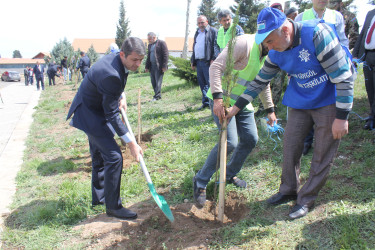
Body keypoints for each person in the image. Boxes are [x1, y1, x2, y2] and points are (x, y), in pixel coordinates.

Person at [227, 7, 356, 219]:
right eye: (266, 43)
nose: (268, 48)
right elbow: (259, 81)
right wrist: (236, 107)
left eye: (269, 41)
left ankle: (306, 199)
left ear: (285, 30)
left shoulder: (317, 34)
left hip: (328, 98)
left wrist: (341, 117)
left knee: (322, 152)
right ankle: (288, 189)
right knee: (291, 143)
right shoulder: (276, 51)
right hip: (300, 98)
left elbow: (343, 76)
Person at [193, 34, 276, 207]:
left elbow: (263, 83)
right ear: (268, 37)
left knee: (251, 139)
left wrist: (270, 110)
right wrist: (217, 99)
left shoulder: (270, 52)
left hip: (243, 103)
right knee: (230, 142)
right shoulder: (243, 44)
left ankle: (229, 174)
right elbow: (216, 67)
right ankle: (200, 180)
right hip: (223, 100)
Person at [67, 37, 145, 220]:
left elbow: (116, 83)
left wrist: (121, 96)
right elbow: (112, 115)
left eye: (141, 60)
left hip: (94, 109)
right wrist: (131, 143)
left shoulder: (116, 61)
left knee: (101, 156)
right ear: (122, 54)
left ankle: (100, 198)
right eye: (134, 60)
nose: (138, 64)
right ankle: (113, 207)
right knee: (114, 157)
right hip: (90, 116)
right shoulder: (111, 74)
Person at [295, 0, 350, 155]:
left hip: (330, 67)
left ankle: (325, 141)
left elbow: (342, 40)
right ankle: (307, 141)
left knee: (326, 104)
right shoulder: (301, 17)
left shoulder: (336, 16)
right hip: (309, 68)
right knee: (308, 104)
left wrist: (346, 60)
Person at [352, 9, 375, 130]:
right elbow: (362, 34)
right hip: (368, 56)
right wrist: (355, 54)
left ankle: (372, 118)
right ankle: (373, 116)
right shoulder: (371, 13)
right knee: (370, 88)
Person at [191, 15, 218, 110]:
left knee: (211, 83)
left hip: (208, 62)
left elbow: (216, 46)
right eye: (198, 23)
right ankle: (206, 102)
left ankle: (215, 103)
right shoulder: (197, 33)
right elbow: (195, 47)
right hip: (199, 62)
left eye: (202, 22)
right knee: (202, 84)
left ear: (207, 21)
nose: (200, 25)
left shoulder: (213, 31)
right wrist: (193, 61)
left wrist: (213, 58)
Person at [145, 32, 169, 101]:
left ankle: (157, 96)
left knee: (158, 81)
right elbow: (148, 57)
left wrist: (164, 66)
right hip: (152, 66)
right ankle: (157, 95)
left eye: (149, 38)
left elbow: (166, 54)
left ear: (154, 37)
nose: (148, 40)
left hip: (159, 66)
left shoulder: (161, 43)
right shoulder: (150, 45)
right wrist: (147, 67)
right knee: (153, 82)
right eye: (148, 39)